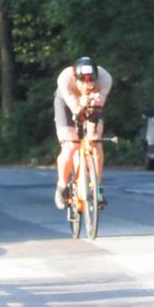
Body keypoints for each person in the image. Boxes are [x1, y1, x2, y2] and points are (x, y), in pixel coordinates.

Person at [54, 57, 113, 209]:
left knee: (95, 139)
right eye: (84, 81)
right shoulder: (65, 78)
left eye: (92, 80)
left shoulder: (105, 78)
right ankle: (61, 186)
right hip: (67, 104)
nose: (89, 85)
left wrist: (95, 102)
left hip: (93, 105)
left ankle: (97, 189)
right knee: (71, 144)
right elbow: (74, 108)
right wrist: (81, 103)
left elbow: (98, 106)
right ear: (75, 77)